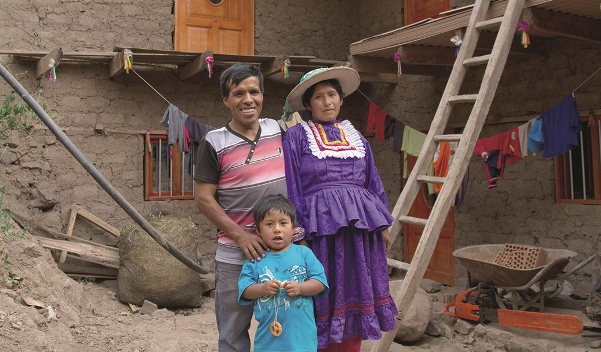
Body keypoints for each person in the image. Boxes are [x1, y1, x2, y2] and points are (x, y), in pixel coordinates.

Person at [282, 66, 399, 351]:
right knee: (322, 296)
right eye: (319, 97)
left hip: (360, 234)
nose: (327, 102)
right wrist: (298, 235)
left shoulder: (355, 136)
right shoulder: (296, 136)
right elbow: (291, 184)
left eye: (332, 94)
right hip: (320, 233)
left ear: (341, 99)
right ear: (308, 104)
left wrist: (383, 226)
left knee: (357, 293)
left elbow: (373, 182)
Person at [194, 63, 287, 352]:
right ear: (226, 99)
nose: (248, 100)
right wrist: (240, 235)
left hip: (282, 253)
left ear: (262, 95)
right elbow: (203, 197)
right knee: (233, 333)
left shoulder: (278, 129)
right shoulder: (215, 142)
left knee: (282, 329)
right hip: (236, 256)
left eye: (254, 92)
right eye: (238, 93)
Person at [238, 194, 329, 352]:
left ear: (293, 228)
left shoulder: (304, 253)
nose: (277, 229)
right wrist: (262, 289)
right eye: (269, 224)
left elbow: (320, 282)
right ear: (257, 229)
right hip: (268, 341)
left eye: (283, 223)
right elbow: (245, 290)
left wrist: (300, 288)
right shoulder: (256, 258)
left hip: (302, 340)